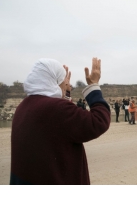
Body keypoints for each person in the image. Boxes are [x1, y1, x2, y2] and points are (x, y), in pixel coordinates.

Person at [10, 57, 110, 185]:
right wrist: (93, 86)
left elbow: (61, 125)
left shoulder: (24, 106)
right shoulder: (56, 109)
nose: (67, 84)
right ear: (55, 81)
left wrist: (65, 93)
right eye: (63, 81)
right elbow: (98, 121)